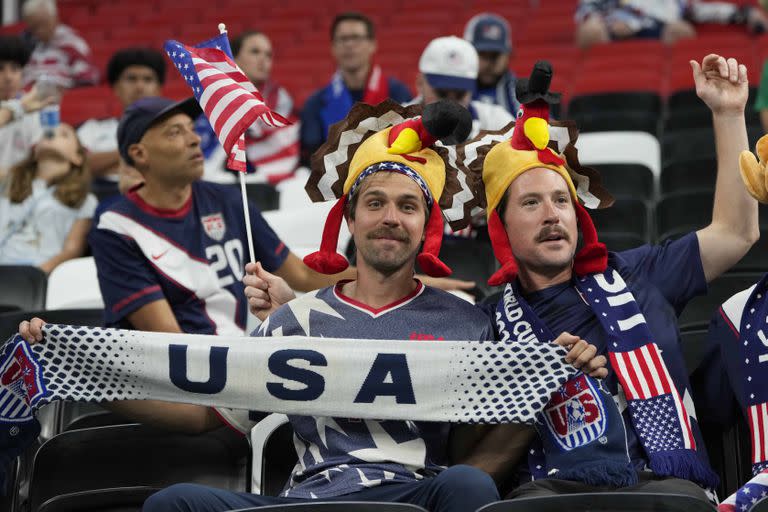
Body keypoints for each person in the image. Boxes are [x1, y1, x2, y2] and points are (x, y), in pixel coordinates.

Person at [18, 100, 606, 512]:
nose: (390, 218)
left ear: (426, 226)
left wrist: (541, 387)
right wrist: (76, 372)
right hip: (305, 499)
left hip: (411, 495)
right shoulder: (292, 321)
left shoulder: (467, 325)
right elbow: (205, 415)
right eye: (374, 203)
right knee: (175, 502)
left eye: (407, 206)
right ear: (349, 218)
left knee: (467, 491)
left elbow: (486, 451)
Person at [461, 53, 757, 501]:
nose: (552, 215)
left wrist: (729, 114)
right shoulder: (487, 324)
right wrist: (537, 378)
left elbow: (735, 233)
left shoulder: (638, 273)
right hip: (548, 494)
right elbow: (471, 461)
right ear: (501, 226)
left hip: (664, 487)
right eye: (530, 203)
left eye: (562, 201)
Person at [90, 96, 472, 336]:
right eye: (175, 133)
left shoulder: (227, 200)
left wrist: (408, 284)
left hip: (240, 361)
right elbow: (168, 343)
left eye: (192, 129)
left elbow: (302, 274)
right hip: (190, 383)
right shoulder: (116, 227)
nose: (194, 140)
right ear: (139, 155)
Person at [299, 12, 412, 165]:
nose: (349, 45)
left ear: (372, 44)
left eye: (356, 38)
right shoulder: (316, 103)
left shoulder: (398, 94)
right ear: (333, 47)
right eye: (343, 39)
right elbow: (312, 155)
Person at [197, 30, 299, 186]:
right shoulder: (213, 103)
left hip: (272, 191)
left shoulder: (283, 102)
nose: (263, 59)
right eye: (255, 52)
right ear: (234, 59)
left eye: (268, 55)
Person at [0, 122, 96, 273]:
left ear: (78, 157)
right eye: (46, 134)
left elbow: (72, 250)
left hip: (38, 275)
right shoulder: (9, 181)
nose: (52, 135)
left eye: (64, 134)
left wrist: (38, 275)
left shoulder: (85, 199)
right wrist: (18, 108)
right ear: (35, 149)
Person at [77, 48, 165, 181]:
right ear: (116, 88)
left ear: (158, 89)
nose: (139, 87)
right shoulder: (93, 128)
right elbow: (78, 166)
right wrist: (138, 153)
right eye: (131, 79)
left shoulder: (174, 128)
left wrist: (105, 165)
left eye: (147, 80)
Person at [409, 36, 513, 139]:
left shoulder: (497, 121)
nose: (450, 104)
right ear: (420, 83)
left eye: (460, 94)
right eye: (442, 93)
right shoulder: (397, 121)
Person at [576, 0, 768, 49]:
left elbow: (701, 10)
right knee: (590, 30)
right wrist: (608, 24)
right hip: (612, 34)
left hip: (659, 34)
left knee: (682, 30)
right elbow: (586, 11)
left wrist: (746, 13)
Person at [0, 34, 50, 174]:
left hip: (23, 190)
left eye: (15, 69)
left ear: (23, 73)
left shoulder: (35, 110)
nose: (8, 77)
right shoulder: (24, 105)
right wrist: (19, 108)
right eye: (0, 69)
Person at [21, 0, 99, 89]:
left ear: (55, 19)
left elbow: (87, 81)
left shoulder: (72, 44)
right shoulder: (27, 45)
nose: (39, 31)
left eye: (43, 24)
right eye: (34, 27)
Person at [463, 13, 520, 115]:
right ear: (466, 52)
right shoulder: (454, 89)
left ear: (507, 56)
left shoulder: (520, 92)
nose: (488, 63)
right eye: (481, 54)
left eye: (495, 55)